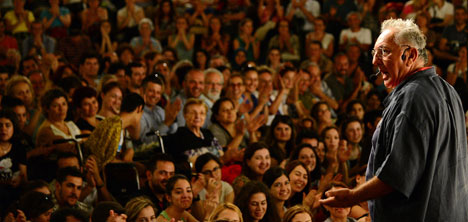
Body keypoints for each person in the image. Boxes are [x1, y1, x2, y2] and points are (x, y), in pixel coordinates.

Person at [320, 18, 468, 221]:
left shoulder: (413, 96)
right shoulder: (448, 91)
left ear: (410, 55)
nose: (374, 61)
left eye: (384, 51)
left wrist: (352, 196)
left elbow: (398, 176)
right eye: (374, 52)